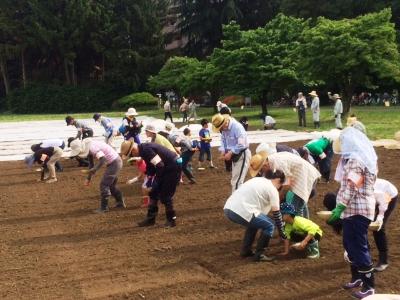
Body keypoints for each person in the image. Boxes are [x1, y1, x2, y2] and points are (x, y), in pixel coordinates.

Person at [327, 127, 377, 299]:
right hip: (352, 210)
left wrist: (339, 206)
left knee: (358, 247)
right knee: (350, 245)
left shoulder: (357, 160)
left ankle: (369, 286)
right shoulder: (360, 157)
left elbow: (351, 186)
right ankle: (358, 278)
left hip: (357, 210)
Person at [324, 178, 398, 272]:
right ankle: (365, 252)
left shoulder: (358, 195)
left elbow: (383, 199)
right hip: (372, 197)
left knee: (378, 228)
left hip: (387, 195)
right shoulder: (342, 197)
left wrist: (379, 218)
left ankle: (384, 261)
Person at [223, 172, 287, 261]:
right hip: (242, 211)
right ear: (279, 180)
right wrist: (282, 232)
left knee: (254, 224)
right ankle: (259, 255)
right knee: (270, 225)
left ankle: (245, 251)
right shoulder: (273, 189)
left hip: (228, 208)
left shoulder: (257, 180)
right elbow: (276, 214)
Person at [120, 140, 181, 227]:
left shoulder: (146, 150)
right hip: (168, 166)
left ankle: (171, 220)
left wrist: (155, 182)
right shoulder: (144, 150)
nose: (132, 156)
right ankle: (150, 219)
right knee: (153, 192)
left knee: (165, 195)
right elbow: (151, 166)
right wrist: (149, 181)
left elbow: (160, 165)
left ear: (133, 150)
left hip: (172, 167)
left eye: (130, 155)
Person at [248, 150, 321, 218]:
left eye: (261, 171)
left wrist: (278, 198)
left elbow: (286, 184)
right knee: (301, 204)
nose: (262, 173)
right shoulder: (273, 159)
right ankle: (306, 225)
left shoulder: (279, 163)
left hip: (305, 176)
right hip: (302, 174)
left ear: (265, 165)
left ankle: (300, 228)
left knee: (295, 209)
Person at [70, 139, 125, 213]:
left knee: (104, 184)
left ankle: (104, 208)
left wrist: (95, 169)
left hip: (114, 163)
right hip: (115, 162)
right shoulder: (88, 147)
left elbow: (103, 160)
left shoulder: (92, 148)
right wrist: (88, 178)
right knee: (111, 185)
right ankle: (120, 202)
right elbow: (91, 165)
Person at [212, 113, 251, 193]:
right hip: (236, 156)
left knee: (237, 181)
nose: (220, 130)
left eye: (220, 128)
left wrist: (230, 153)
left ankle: (235, 202)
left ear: (225, 123)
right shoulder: (224, 130)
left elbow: (242, 144)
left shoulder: (237, 127)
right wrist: (224, 150)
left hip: (242, 154)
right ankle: (237, 201)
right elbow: (223, 140)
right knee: (235, 180)